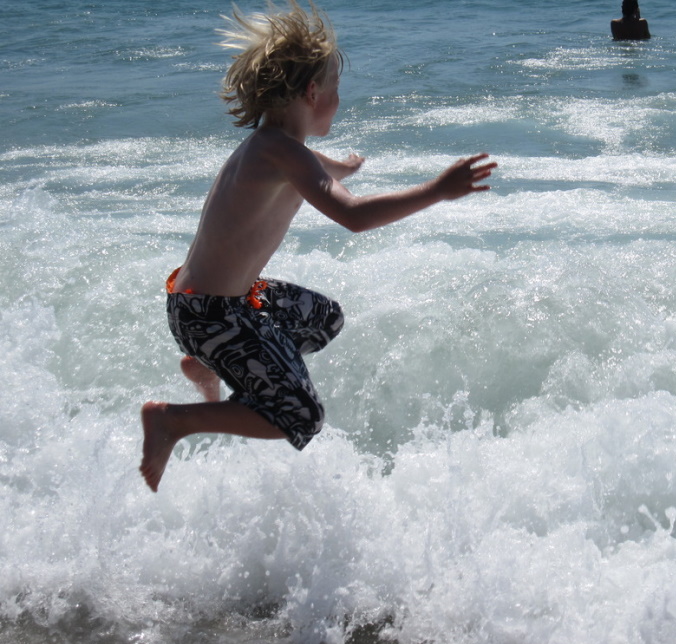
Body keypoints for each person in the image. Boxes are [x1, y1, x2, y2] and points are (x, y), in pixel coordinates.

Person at [139, 1, 497, 492]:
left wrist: (338, 168)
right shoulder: (282, 153)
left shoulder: (272, 145)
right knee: (301, 415)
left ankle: (211, 364)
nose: (338, 99)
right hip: (212, 314)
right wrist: (438, 190)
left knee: (323, 317)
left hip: (210, 302)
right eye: (335, 90)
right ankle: (174, 421)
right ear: (311, 92)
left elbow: (305, 161)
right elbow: (353, 216)